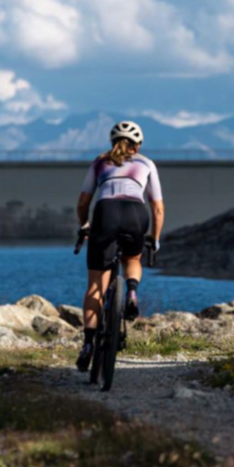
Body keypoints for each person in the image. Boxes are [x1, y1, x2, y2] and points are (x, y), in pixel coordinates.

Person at [74, 120, 164, 371]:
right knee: (132, 259)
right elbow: (157, 207)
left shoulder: (99, 162)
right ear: (138, 145)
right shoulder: (146, 163)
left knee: (95, 286)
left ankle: (88, 344)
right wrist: (155, 238)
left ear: (112, 142)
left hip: (106, 213)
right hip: (136, 213)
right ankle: (132, 292)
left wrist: (85, 225)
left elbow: (82, 203)